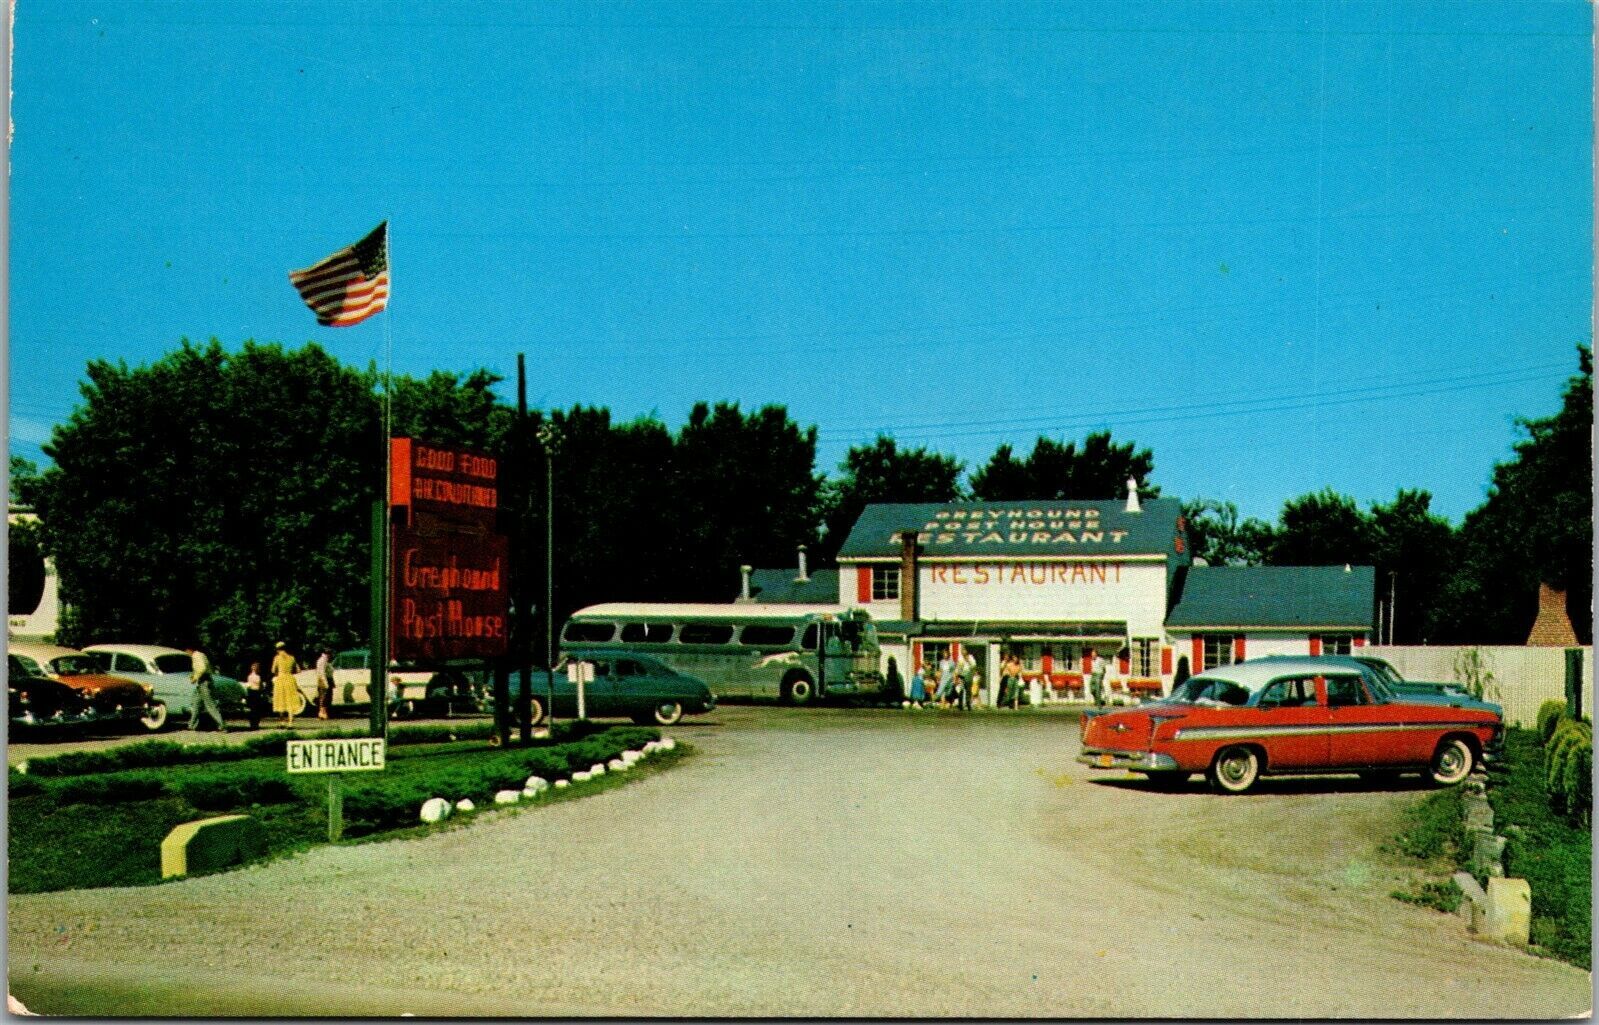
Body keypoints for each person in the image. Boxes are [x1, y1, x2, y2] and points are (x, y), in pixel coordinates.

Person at [186, 644, 226, 732]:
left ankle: (222, 726)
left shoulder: (196, 656)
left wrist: (195, 678)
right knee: (196, 704)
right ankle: (191, 725)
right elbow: (206, 667)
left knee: (210, 705)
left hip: (204, 682)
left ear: (189, 650)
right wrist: (194, 675)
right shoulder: (202, 655)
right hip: (203, 682)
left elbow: (202, 669)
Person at [271, 641, 301, 726]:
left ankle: (282, 721)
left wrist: (278, 672)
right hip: (290, 679)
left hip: (281, 679)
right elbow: (298, 670)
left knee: (281, 699)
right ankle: (290, 722)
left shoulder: (277, 658)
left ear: (278, 649)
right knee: (290, 700)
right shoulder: (292, 658)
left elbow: (273, 670)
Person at [243, 661, 267, 730]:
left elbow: (261, 685)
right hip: (252, 692)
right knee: (252, 709)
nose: (254, 668)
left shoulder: (259, 676)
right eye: (253, 667)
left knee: (257, 709)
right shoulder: (250, 676)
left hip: (257, 692)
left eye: (256, 667)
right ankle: (252, 724)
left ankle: (256, 724)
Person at [315, 648, 335, 720]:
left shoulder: (325, 660)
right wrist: (326, 683)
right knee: (325, 697)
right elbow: (322, 672)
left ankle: (322, 712)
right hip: (324, 680)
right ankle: (322, 713)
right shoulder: (322, 660)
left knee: (325, 697)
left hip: (326, 679)